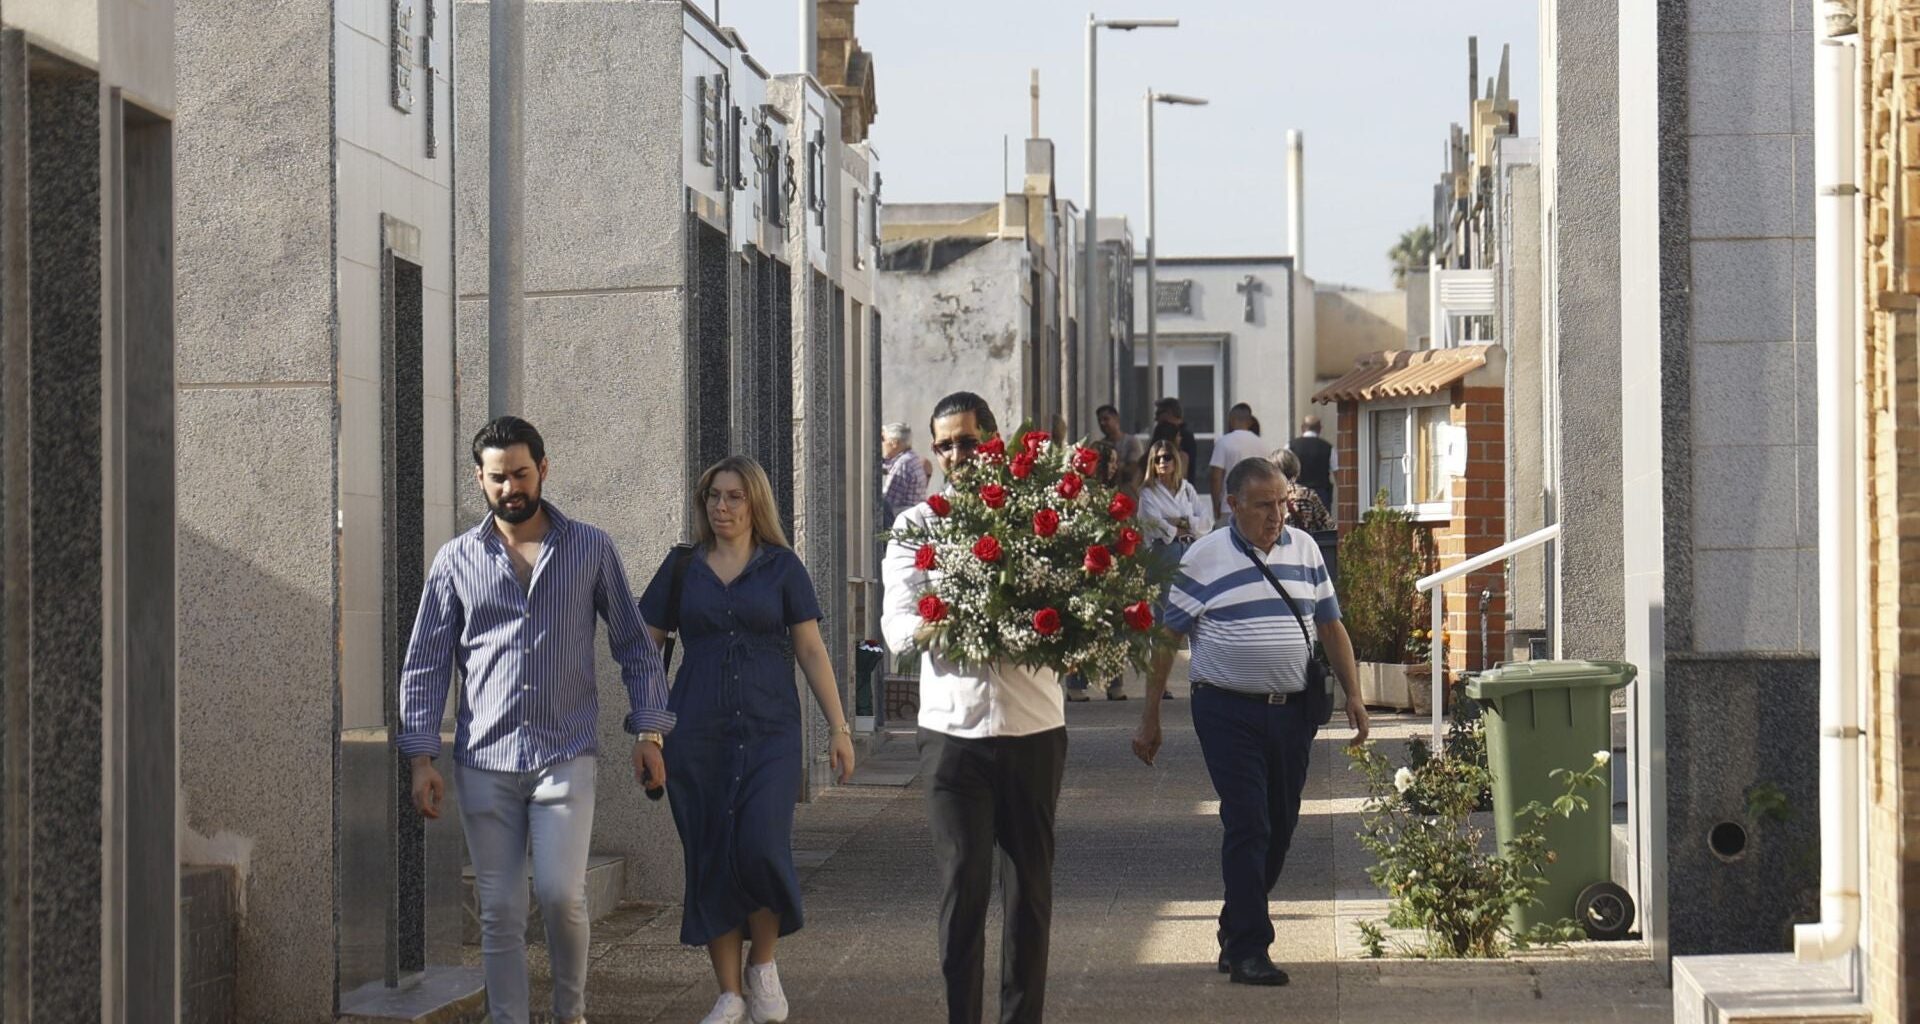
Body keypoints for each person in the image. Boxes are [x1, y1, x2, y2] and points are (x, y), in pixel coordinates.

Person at [399, 416, 672, 1024]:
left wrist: (649, 730)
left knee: (559, 895)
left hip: (564, 753)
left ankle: (569, 1013)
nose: (510, 488)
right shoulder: (454, 561)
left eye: (521, 473)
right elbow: (425, 663)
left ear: (543, 470)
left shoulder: (591, 548)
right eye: (497, 478)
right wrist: (421, 758)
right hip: (483, 760)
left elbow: (633, 642)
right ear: (480, 479)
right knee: (498, 909)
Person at [1132, 457, 1369, 988]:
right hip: (1226, 711)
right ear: (1232, 505)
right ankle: (1249, 950)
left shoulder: (1305, 550)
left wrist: (1354, 694)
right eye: (1264, 504)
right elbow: (1167, 639)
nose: (1277, 514)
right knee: (1249, 823)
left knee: (1281, 826)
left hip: (1292, 712)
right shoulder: (1202, 557)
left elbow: (1331, 626)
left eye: (1282, 502)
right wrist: (1150, 717)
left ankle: (1235, 923)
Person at [639, 455, 855, 1024]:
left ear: (755, 503)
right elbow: (648, 653)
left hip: (770, 731)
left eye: (734, 496)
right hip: (696, 731)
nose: (722, 506)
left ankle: (763, 963)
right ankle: (729, 993)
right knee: (710, 852)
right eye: (713, 496)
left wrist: (838, 727)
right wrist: (649, 734)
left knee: (761, 844)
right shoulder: (683, 568)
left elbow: (809, 648)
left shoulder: (783, 567)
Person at [882, 391, 1068, 1024]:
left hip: (1033, 725)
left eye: (968, 439)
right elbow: (902, 630)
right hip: (952, 732)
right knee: (962, 890)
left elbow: (1070, 614)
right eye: (946, 444)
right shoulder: (916, 527)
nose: (959, 453)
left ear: (994, 438)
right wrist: (969, 616)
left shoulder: (1043, 517)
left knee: (1029, 896)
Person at [1066, 440, 1128, 703]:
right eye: (1109, 461)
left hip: (1113, 562)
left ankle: (1115, 683)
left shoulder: (1114, 491)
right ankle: (1075, 684)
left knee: (1115, 625)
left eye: (1115, 461)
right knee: (1083, 625)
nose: (1114, 467)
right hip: (1086, 562)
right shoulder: (1082, 490)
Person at [1136, 439, 1210, 559]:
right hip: (1165, 552)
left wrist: (1179, 521)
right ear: (1152, 464)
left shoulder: (1186, 488)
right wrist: (1185, 527)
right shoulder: (1148, 492)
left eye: (1167, 457)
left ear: (1175, 460)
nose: (1162, 462)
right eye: (1157, 459)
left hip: (1191, 550)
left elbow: (1206, 522)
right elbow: (1154, 525)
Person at [1208, 403, 1269, 522]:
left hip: (1230, 506)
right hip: (1257, 506)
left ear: (1231, 420)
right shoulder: (1263, 445)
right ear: (1250, 421)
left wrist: (1216, 505)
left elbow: (1216, 477)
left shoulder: (1224, 442)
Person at [1271, 447, 1334, 533]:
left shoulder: (1269, 495)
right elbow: (1329, 527)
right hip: (1304, 544)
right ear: (1296, 468)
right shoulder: (1308, 495)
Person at [881, 422, 929, 527]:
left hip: (903, 523)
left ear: (894, 443)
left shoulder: (902, 464)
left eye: (883, 439)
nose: (882, 444)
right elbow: (889, 465)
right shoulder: (911, 456)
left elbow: (888, 502)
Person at [1287, 415, 1336, 517]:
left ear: (1302, 427)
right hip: (1321, 494)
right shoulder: (1328, 447)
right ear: (1319, 428)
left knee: (1297, 528)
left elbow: (1283, 469)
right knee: (1322, 530)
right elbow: (1338, 473)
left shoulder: (1291, 446)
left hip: (1297, 494)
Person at [1096, 403, 1145, 496]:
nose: (1102, 423)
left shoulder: (1132, 442)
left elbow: (1134, 469)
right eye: (1100, 420)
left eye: (1106, 419)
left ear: (1116, 419)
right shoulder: (1100, 445)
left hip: (1128, 492)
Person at [1149, 397, 1200, 488]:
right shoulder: (1161, 431)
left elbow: (1182, 471)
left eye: (1158, 414)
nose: (1156, 418)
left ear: (1169, 413)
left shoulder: (1184, 436)